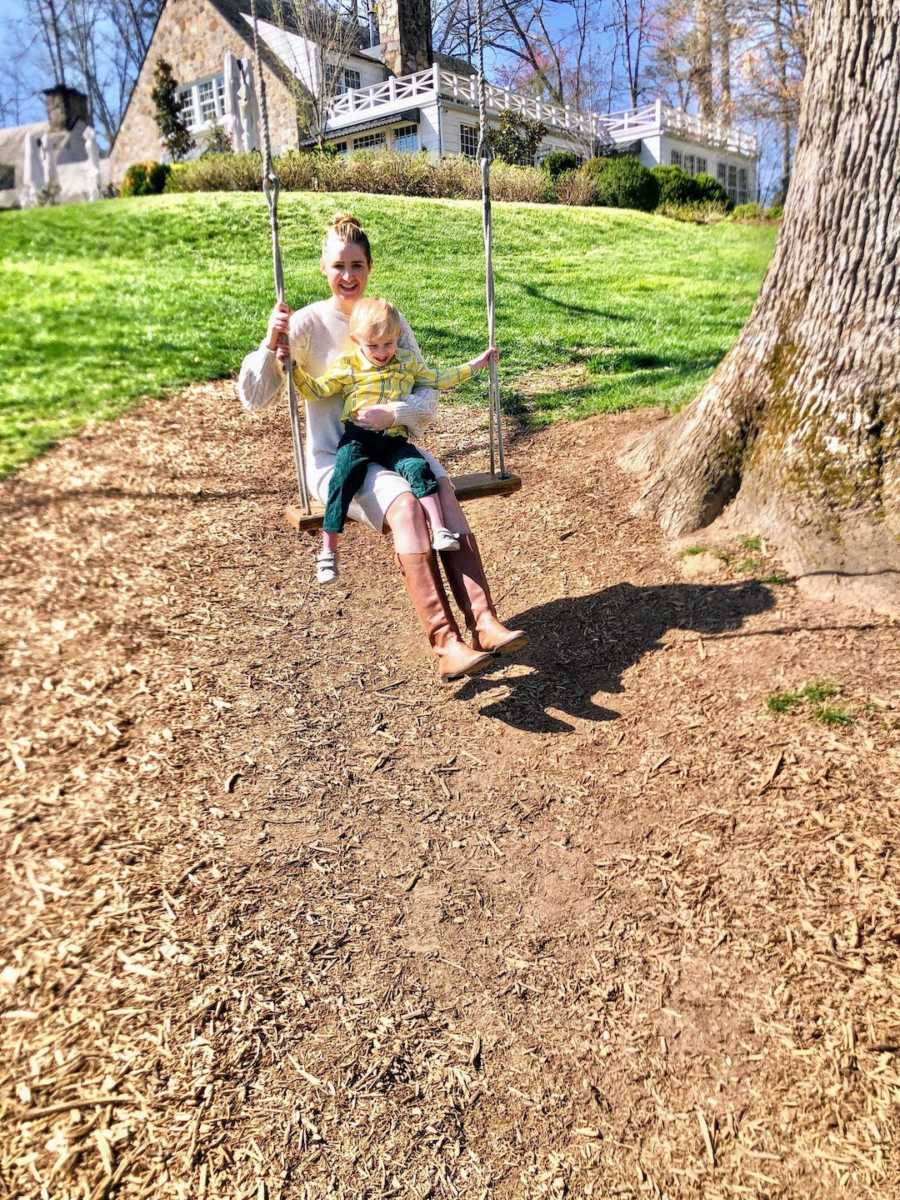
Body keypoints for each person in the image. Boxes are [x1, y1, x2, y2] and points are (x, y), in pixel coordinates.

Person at [238, 212, 526, 682]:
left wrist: (395, 414)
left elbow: (426, 395)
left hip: (391, 446)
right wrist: (271, 344)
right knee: (406, 506)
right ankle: (446, 643)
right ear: (323, 268)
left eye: (356, 265)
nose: (347, 276)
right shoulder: (306, 323)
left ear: (369, 267)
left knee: (439, 488)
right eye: (338, 266)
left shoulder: (389, 319)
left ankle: (484, 621)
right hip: (339, 459)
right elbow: (254, 399)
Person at [293, 296, 499, 584]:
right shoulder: (348, 365)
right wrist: (294, 370)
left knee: (417, 467)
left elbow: (439, 378)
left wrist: (477, 364)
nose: (381, 352)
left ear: (397, 337)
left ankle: (439, 529)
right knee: (343, 477)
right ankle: (328, 550)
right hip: (358, 438)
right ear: (356, 340)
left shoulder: (406, 362)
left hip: (392, 437)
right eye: (373, 346)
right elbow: (317, 390)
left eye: (388, 344)